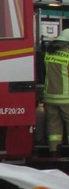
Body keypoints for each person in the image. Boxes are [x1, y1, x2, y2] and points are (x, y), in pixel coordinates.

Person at [39, 28, 69, 156]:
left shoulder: (49, 53)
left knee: (53, 126)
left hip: (49, 96)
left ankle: (54, 151)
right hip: (66, 97)